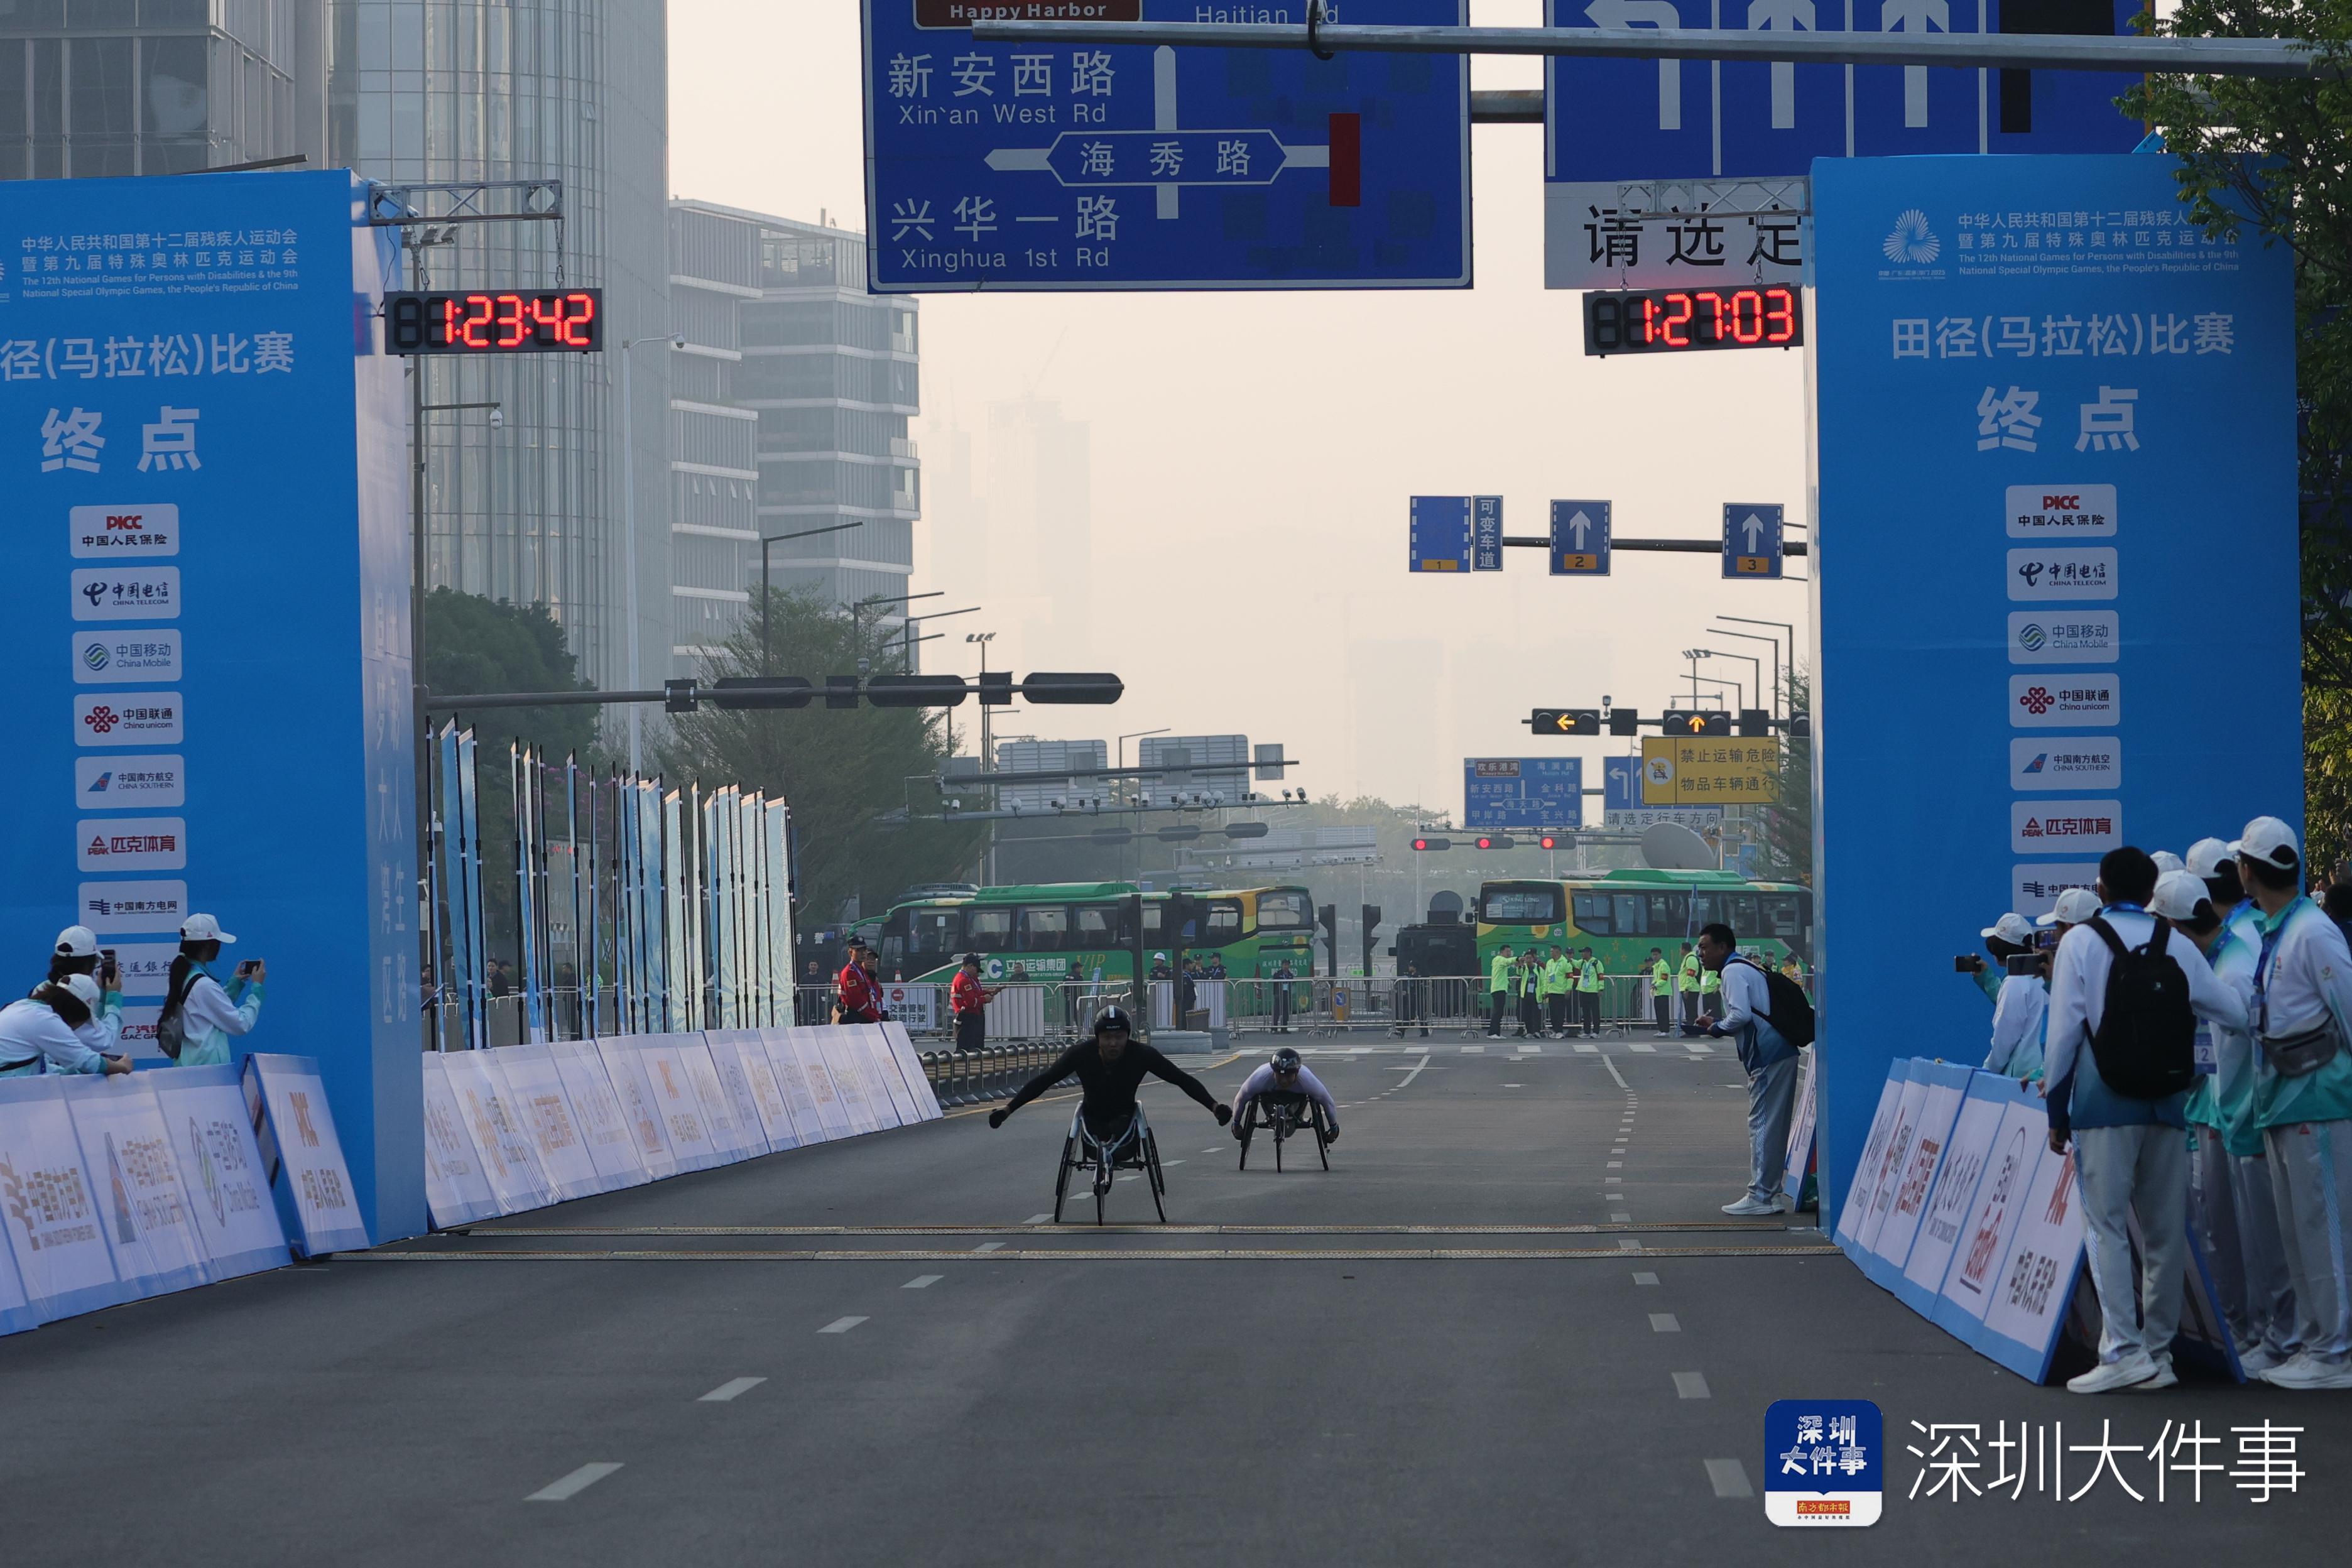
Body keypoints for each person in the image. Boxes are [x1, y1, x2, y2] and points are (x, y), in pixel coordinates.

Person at [2042, 847, 2246, 1394]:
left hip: (2102, 1105)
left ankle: (2123, 1350)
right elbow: (2231, 1010)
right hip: (2169, 1102)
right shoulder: (2177, 942)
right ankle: (2159, 1353)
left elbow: (2063, 1037)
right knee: (2163, 1231)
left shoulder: (2080, 943)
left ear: (2102, 889)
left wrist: (2055, 1111)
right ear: (2151, 889)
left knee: (2105, 1225)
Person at [2153, 869, 2299, 1373]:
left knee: (2264, 1240)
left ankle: (2277, 1337)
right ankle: (2257, 1334)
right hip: (2225, 1118)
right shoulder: (2214, 962)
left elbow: (2242, 1055)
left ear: (2175, 925)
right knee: (2240, 1237)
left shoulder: (2231, 966)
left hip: (2245, 1120)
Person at [2233, 816, 2352, 1390]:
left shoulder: (2312, 931)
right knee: (2298, 1231)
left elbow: (2349, 1010)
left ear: (2249, 870)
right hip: (2283, 1102)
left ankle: (2335, 1350)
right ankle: (2315, 1342)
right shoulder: (2281, 928)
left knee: (2321, 1226)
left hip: (2319, 1102)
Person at [988, 1008, 1232, 1173]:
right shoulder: (1080, 1054)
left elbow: (1180, 1079)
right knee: (1099, 1128)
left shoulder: (1142, 1055)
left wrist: (1214, 1107)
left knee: (1118, 1126)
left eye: (1119, 1036)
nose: (1113, 1043)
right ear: (1097, 1038)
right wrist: (1008, 1110)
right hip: (1091, 1119)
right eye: (1107, 1037)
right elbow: (1045, 1081)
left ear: (1128, 1036)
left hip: (1125, 1122)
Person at [1694, 923, 1800, 1216]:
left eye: (1704, 947)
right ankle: (1769, 1194)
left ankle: (1762, 1197)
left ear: (1723, 947)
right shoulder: (1743, 968)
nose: (1700, 953)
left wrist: (1717, 1027)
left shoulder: (1731, 971)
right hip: (1777, 1052)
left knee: (1763, 1125)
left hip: (1768, 1055)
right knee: (1772, 1126)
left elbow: (1740, 1014)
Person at [157, 913, 264, 1068]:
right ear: (209, 946)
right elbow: (241, 1024)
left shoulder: (183, 977)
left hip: (189, 1067)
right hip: (208, 1073)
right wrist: (257, 991)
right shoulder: (203, 985)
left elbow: (209, 1008)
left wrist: (234, 985)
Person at [0, 975, 133, 1077]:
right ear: (76, 1012)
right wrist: (122, 1067)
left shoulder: (24, 1007)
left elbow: (38, 1068)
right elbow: (87, 1062)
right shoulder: (45, 1019)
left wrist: (72, 1071)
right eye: (84, 1021)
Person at [1231, 1046, 1340, 1145]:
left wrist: (1334, 1128)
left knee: (1314, 1097)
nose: (1283, 1081)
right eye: (1280, 1075)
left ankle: (1298, 1117)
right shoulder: (1259, 1079)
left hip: (1297, 1100)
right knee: (1253, 1095)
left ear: (1297, 1073)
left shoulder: (1308, 1081)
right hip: (1269, 1097)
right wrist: (1236, 1124)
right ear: (1273, 1072)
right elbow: (1240, 1099)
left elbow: (1328, 1102)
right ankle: (1271, 1116)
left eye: (1288, 1076)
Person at [42, 925, 124, 1055]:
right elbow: (103, 1040)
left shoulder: (42, 989)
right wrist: (113, 999)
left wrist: (101, 996)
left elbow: (91, 1027)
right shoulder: (70, 998)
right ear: (89, 964)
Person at [1968, 913, 2035, 1007]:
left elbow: (2006, 1002)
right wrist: (1985, 976)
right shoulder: (2038, 971)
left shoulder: (2015, 980)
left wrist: (1986, 976)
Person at [949, 953, 998, 1053]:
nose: (977, 972)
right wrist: (985, 999)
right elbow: (971, 1002)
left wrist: (986, 992)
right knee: (967, 1047)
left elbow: (974, 994)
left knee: (975, 1046)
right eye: (976, 969)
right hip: (968, 1016)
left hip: (971, 1015)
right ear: (970, 966)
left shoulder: (967, 979)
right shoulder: (964, 980)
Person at [836, 940, 883, 1024]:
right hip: (855, 1018)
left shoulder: (861, 971)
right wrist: (873, 1017)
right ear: (850, 953)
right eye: (859, 950)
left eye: (864, 950)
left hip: (864, 1016)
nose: (863, 953)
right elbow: (856, 1001)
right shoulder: (849, 973)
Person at [1542, 945, 1571, 1038]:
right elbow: (1546, 977)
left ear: (1558, 952)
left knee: (1560, 1012)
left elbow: (1570, 977)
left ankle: (1559, 1031)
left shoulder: (1565, 962)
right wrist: (1545, 990)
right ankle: (1554, 1030)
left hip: (1560, 991)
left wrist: (1568, 989)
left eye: (1552, 952)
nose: (1551, 953)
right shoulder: (1549, 962)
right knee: (1553, 1012)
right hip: (1551, 991)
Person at [1577, 947, 1606, 1037]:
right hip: (1583, 990)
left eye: (1583, 953)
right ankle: (1586, 1031)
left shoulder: (1596, 963)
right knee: (1585, 1012)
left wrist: (1601, 989)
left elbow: (1601, 976)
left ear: (1589, 953)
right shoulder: (1582, 962)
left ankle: (1596, 1032)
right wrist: (1569, 959)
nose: (1582, 954)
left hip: (1593, 991)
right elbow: (1574, 963)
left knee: (1595, 1012)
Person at [1488, 944, 1514, 1038]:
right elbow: (1508, 961)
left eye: (1510, 951)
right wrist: (1518, 959)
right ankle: (1492, 1033)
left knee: (1499, 1012)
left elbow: (1501, 975)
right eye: (1507, 951)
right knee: (1497, 1012)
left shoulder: (1501, 962)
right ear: (1501, 952)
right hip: (1498, 989)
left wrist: (1508, 983)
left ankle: (1497, 1033)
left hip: (1500, 989)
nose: (1509, 953)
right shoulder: (1499, 959)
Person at [1648, 949, 1674, 1035]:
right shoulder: (1656, 966)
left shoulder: (1663, 965)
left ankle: (1666, 1031)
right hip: (1658, 993)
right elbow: (1656, 978)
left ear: (1660, 955)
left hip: (1664, 993)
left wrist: (1656, 985)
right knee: (1658, 1012)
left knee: (1664, 1013)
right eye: (1653, 955)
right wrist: (1653, 983)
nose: (1654, 956)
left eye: (1656, 954)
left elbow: (1664, 979)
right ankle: (1661, 1030)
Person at [1677, 943, 1702, 1026]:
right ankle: (1692, 1029)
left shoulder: (1691, 959)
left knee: (1691, 1011)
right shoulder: (1688, 958)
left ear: (1684, 949)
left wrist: (1687, 989)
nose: (1679, 950)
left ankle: (1692, 1029)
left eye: (1680, 948)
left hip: (1691, 990)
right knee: (1690, 1011)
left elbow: (1690, 975)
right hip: (1689, 989)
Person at [1271, 957, 1295, 1033]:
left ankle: (1284, 1028)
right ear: (1282, 965)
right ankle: (1274, 1028)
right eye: (1285, 965)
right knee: (1277, 1012)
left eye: (1287, 965)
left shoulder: (1290, 975)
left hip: (1286, 995)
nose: (1286, 966)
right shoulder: (1278, 974)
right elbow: (1275, 982)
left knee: (1286, 1012)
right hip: (1278, 995)